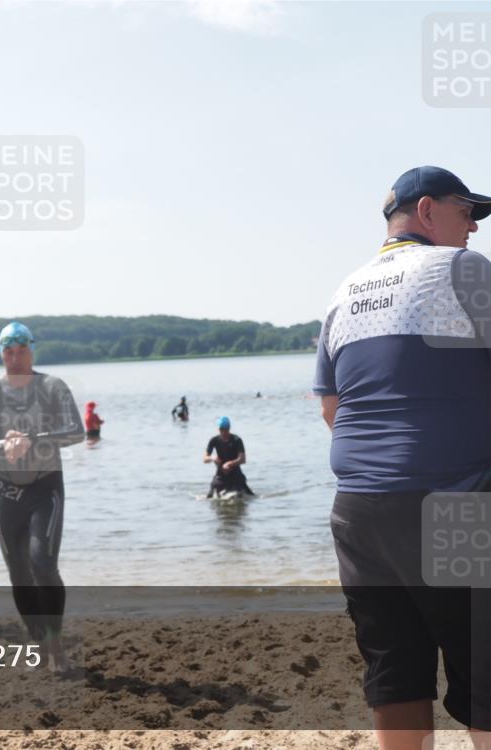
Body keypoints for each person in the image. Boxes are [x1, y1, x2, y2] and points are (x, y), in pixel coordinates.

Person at [314, 166, 491, 746]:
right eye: (466, 211)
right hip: (452, 500)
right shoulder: (463, 270)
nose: (473, 228)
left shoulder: (345, 292)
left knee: (395, 675)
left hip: (360, 512)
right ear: (426, 211)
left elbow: (332, 411)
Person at [0, 321, 85, 671]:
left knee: (42, 565)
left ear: (32, 349)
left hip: (46, 487)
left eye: (21, 351)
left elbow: (77, 431)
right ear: (1, 353)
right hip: (7, 493)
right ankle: (42, 645)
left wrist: (34, 438)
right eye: (8, 352)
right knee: (19, 574)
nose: (15, 358)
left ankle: (57, 649)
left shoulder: (52, 386)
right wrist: (3, 444)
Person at [203, 416, 253, 498]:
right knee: (209, 496)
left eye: (226, 429)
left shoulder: (237, 440)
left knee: (244, 496)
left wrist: (229, 464)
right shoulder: (214, 440)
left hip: (235, 473)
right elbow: (205, 458)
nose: (223, 432)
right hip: (221, 474)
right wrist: (213, 458)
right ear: (218, 429)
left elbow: (243, 459)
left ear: (229, 428)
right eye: (221, 429)